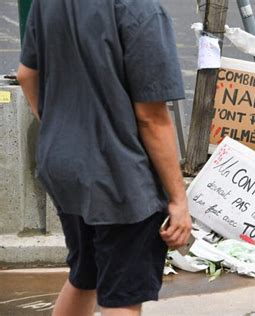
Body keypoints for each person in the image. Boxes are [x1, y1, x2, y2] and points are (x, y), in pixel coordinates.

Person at [17, 0, 192, 315]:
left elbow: (27, 75)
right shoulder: (142, 10)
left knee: (86, 275)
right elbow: (152, 118)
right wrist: (179, 200)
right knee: (122, 296)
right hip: (120, 177)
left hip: (64, 166)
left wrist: (59, 125)